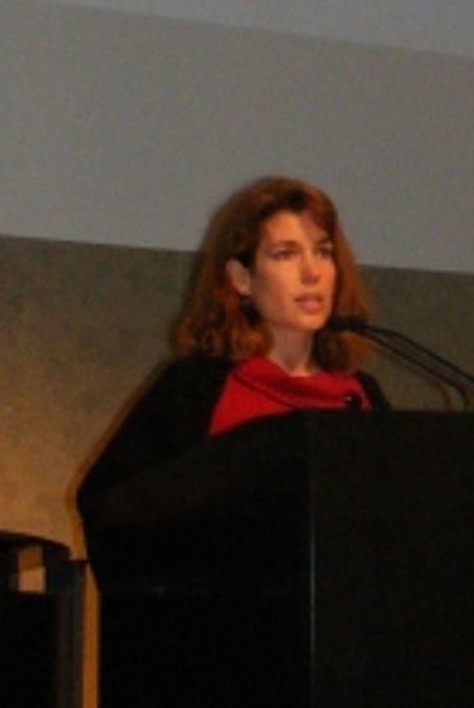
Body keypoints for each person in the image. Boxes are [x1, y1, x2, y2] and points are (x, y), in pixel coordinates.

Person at [76, 175, 387, 531]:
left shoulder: (362, 394)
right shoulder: (194, 387)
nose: (312, 272)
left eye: (323, 252)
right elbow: (111, 508)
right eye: (285, 254)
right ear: (241, 278)